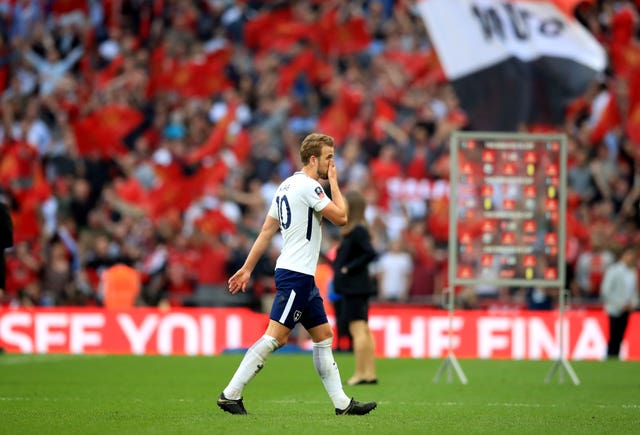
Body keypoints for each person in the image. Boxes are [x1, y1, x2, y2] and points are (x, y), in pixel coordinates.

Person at [217, 133, 377, 416]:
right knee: (275, 338)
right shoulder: (310, 186)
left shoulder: (285, 186)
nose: (332, 163)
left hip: (300, 275)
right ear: (313, 159)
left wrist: (247, 268)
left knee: (324, 335)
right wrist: (335, 184)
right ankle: (231, 393)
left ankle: (341, 403)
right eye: (329, 157)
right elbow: (341, 218)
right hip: (295, 275)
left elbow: (267, 231)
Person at [333, 190, 378, 385]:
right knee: (363, 330)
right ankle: (369, 372)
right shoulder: (358, 228)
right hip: (357, 287)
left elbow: (370, 253)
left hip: (354, 288)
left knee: (358, 329)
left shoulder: (357, 230)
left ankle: (361, 373)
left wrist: (347, 269)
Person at [600, 246, 639, 359]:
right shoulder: (613, 270)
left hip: (627, 309)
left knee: (621, 336)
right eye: (630, 255)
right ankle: (610, 357)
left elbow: (634, 291)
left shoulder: (632, 272)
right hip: (614, 309)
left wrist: (633, 303)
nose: (632, 258)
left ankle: (615, 357)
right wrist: (620, 304)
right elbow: (606, 291)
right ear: (624, 256)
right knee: (613, 336)